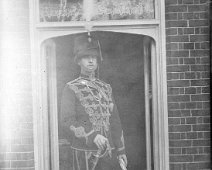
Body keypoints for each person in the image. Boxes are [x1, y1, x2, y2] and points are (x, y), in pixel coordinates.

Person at [60, 33, 127, 170]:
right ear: (78, 61)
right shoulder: (71, 88)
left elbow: (115, 121)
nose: (91, 60)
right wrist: (93, 136)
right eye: (86, 57)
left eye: (94, 57)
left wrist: (121, 151)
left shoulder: (106, 88)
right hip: (84, 153)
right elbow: (67, 121)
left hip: (108, 152)